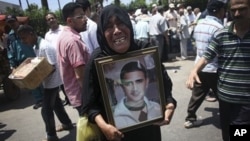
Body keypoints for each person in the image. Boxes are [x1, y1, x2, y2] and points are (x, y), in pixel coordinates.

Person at [80, 5, 176, 141]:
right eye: (109, 27)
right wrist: (104, 126)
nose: (117, 31)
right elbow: (89, 104)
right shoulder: (97, 59)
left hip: (149, 132)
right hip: (115, 135)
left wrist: (169, 106)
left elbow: (165, 85)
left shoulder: (145, 50)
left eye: (121, 24)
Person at [186, 0, 250, 140]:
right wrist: (194, 70)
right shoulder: (221, 34)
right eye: (234, 10)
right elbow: (207, 55)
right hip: (225, 99)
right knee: (226, 135)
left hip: (245, 101)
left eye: (242, 9)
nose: (237, 13)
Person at [17, 24, 73, 141]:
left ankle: (51, 136)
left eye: (24, 38)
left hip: (52, 82)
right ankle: (67, 123)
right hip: (48, 82)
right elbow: (41, 62)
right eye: (21, 39)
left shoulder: (44, 46)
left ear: (31, 34)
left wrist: (36, 78)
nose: (23, 41)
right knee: (57, 104)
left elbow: (52, 66)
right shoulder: (36, 46)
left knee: (46, 110)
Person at [184, 0, 226, 129]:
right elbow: (219, 51)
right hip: (214, 68)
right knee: (223, 96)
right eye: (223, 9)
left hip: (199, 67)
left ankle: (190, 119)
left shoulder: (199, 25)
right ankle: (228, 120)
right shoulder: (219, 28)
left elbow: (194, 41)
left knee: (197, 94)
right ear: (219, 11)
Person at [57, 2, 89, 115]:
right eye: (80, 17)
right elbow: (80, 75)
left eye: (84, 15)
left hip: (76, 94)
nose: (85, 19)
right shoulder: (72, 41)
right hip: (83, 96)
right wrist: (90, 96)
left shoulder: (65, 36)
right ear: (70, 21)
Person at [5, 14, 43, 109]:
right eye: (10, 23)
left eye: (13, 21)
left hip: (33, 57)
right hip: (22, 61)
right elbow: (10, 51)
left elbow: (36, 40)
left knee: (41, 79)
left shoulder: (26, 29)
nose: (12, 24)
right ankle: (39, 100)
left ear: (17, 21)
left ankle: (47, 98)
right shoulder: (10, 37)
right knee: (30, 82)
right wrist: (12, 65)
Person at [113, 61, 161, 129]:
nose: (135, 88)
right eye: (128, 83)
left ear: (146, 82)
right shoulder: (116, 117)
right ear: (122, 87)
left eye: (139, 81)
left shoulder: (156, 108)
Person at [44, 12, 70, 106]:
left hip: (68, 59)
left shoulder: (65, 29)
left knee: (70, 79)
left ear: (56, 19)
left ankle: (73, 98)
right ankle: (68, 98)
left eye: (52, 18)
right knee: (61, 82)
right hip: (56, 61)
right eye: (48, 19)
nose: (51, 20)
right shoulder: (47, 35)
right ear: (47, 22)